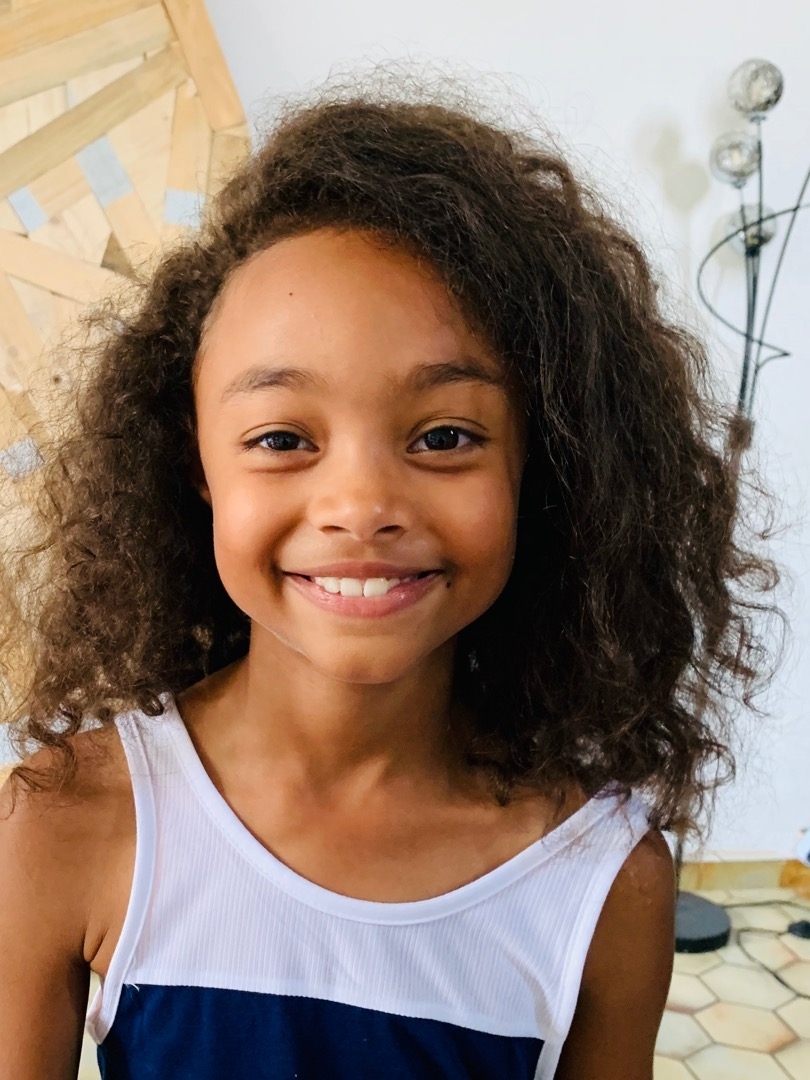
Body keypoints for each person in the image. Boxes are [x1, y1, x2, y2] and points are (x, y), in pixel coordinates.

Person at [0, 79, 778, 1079]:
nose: (362, 505)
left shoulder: (603, 879)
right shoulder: (69, 820)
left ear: (542, 467)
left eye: (444, 436)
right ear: (192, 463)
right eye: (281, 437)